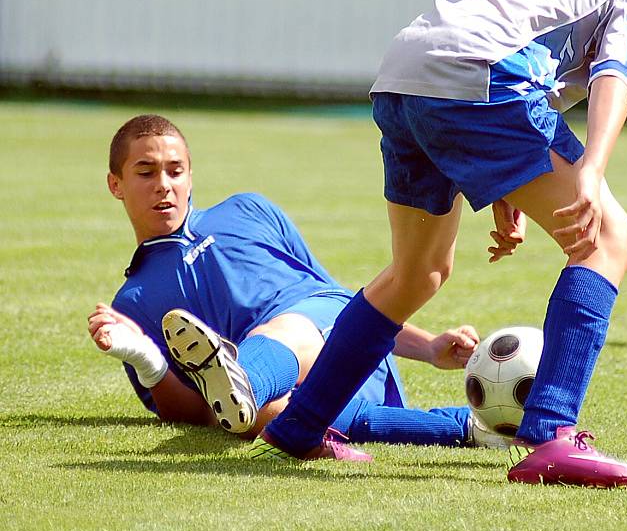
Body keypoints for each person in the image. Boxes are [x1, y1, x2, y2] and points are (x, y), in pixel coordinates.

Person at [255, 0, 627, 487]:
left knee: (416, 273)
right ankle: (551, 432)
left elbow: (524, 73)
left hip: (403, 77)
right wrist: (592, 170)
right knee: (610, 239)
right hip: (479, 77)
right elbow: (614, 74)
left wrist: (505, 195)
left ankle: (299, 425)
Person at [89, 113, 505, 454]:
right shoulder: (133, 301)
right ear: (116, 185)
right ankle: (483, 430)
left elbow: (351, 306)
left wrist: (428, 347)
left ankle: (250, 376)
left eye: (175, 171)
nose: (164, 184)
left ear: (191, 176)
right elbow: (200, 413)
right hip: (299, 393)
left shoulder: (248, 210)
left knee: (285, 336)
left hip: (335, 334)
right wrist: (147, 359)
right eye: (146, 172)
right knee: (265, 413)